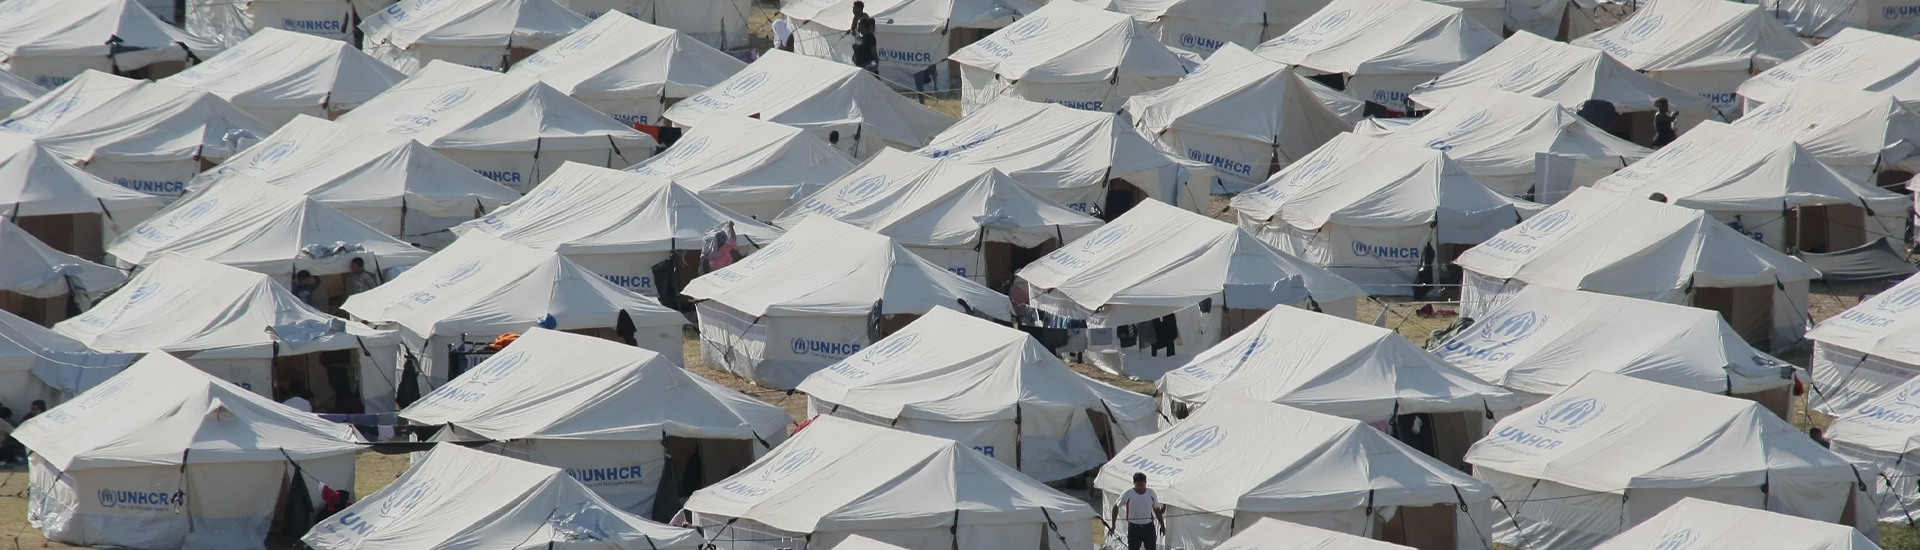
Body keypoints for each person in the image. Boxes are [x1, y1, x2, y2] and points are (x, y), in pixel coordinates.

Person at [1111, 472, 1163, 550]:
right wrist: (1113, 525)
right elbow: (1116, 507)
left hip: (1148, 527)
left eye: (1142, 485)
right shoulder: (1128, 494)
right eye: (1137, 485)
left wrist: (1162, 524)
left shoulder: (1151, 493)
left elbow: (1156, 509)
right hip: (1134, 528)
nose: (1140, 487)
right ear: (1134, 484)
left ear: (1145, 483)